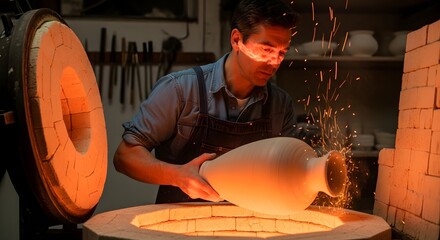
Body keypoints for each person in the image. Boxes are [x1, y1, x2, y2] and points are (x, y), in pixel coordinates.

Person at [113, 0, 299, 204]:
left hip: (250, 226)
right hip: (178, 227)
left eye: (281, 53)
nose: (274, 63)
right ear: (237, 40)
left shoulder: (280, 105)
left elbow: (288, 171)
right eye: (266, 50)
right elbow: (125, 157)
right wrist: (178, 176)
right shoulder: (179, 90)